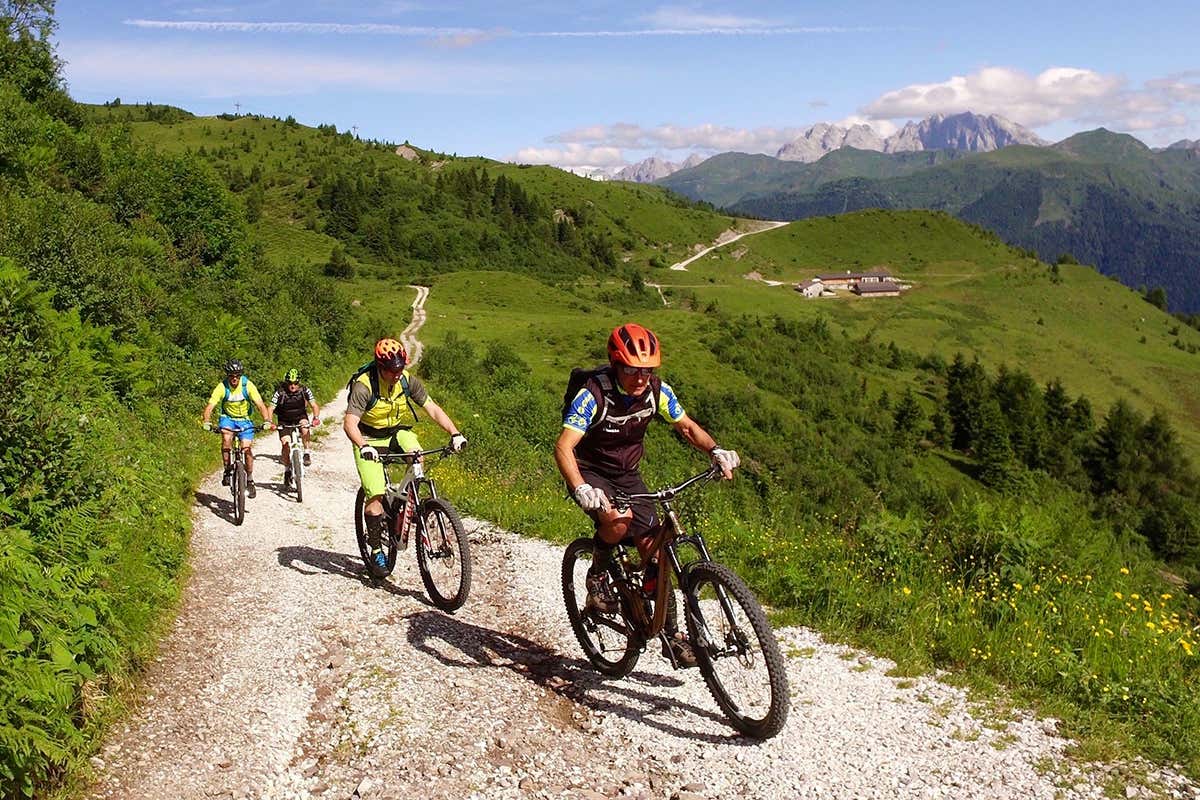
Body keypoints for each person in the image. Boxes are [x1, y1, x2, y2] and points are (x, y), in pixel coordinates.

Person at [554, 323, 740, 668]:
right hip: (590, 470)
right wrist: (581, 487)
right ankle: (597, 574)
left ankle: (672, 636)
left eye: (647, 370)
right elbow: (564, 446)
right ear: (615, 364)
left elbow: (686, 426)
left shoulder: (657, 391)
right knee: (617, 520)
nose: (640, 378)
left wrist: (716, 450)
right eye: (632, 369)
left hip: (627, 475)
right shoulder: (593, 394)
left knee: (656, 553)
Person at [343, 338, 467, 577]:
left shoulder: (407, 380)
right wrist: (363, 446)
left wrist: (455, 433)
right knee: (376, 493)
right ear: (381, 367)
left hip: (396, 431)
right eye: (392, 371)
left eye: (401, 369)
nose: (398, 375)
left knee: (417, 454)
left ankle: (410, 503)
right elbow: (350, 423)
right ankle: (377, 547)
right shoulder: (364, 386)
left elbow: (432, 408)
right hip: (368, 438)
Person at [200, 359, 275, 498]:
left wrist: (267, 420)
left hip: (245, 420)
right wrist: (207, 421)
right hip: (227, 418)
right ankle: (227, 470)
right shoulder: (222, 387)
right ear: (227, 376)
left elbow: (260, 404)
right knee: (226, 439)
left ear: (241, 375)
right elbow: (210, 406)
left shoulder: (248, 385)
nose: (234, 379)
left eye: (237, 376)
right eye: (231, 376)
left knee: (246, 449)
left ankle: (250, 479)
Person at [268, 368, 322, 488]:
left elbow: (314, 405)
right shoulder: (280, 392)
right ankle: (287, 470)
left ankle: (307, 452)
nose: (293, 386)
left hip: (300, 416)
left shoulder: (305, 390)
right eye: (290, 383)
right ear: (286, 383)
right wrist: (269, 422)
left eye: (295, 383)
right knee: (285, 444)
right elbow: (271, 408)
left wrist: (316, 417)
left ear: (299, 383)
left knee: (305, 428)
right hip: (284, 419)